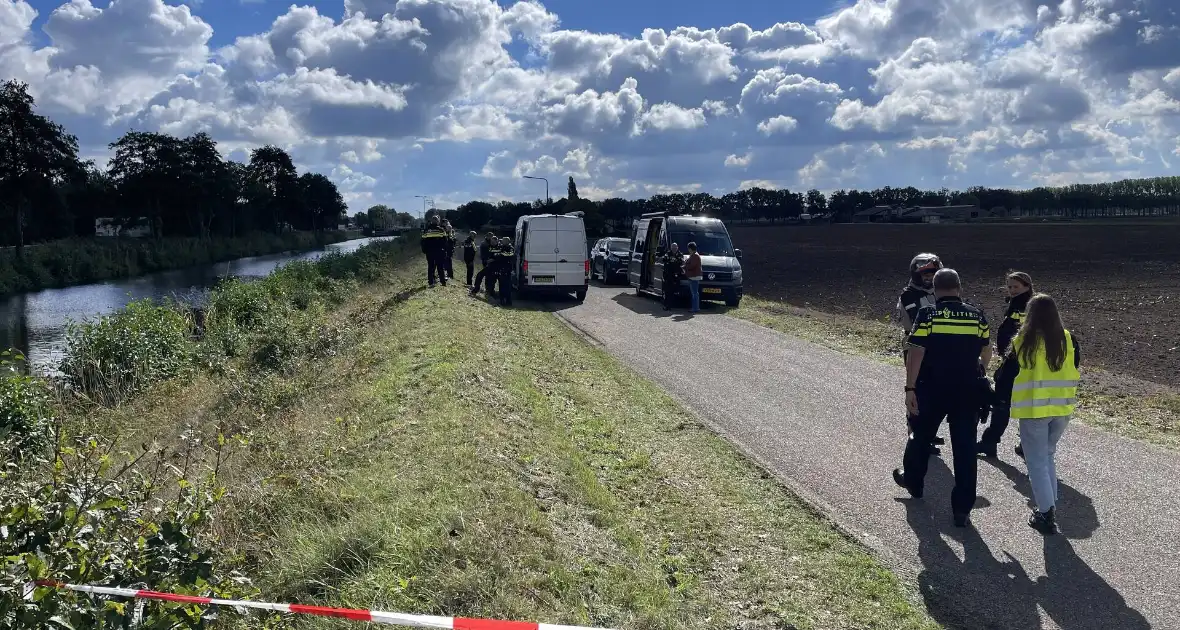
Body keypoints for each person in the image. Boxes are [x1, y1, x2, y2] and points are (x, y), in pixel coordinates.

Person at [893, 268, 992, 528]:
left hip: (932, 388)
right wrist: (981, 368)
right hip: (967, 390)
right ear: (959, 288)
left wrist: (910, 388)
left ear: (935, 290)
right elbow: (986, 348)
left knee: (920, 436)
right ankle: (962, 509)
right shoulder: (976, 315)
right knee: (965, 448)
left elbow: (916, 351)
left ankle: (914, 482)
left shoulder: (928, 314)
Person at [1005, 293, 1080, 535]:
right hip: (1062, 408)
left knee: (1036, 461)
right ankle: (1050, 504)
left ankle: (1046, 514)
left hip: (1035, 409)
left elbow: (1006, 374)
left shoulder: (1023, 341)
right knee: (1047, 455)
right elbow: (1074, 366)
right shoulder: (1068, 339)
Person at [978, 271, 1035, 459]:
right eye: (1009, 287)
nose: (1011, 290)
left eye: (1015, 287)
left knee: (1003, 403)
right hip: (1016, 361)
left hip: (1016, 363)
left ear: (1027, 286)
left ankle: (991, 442)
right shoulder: (1019, 304)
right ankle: (1022, 446)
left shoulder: (1026, 306)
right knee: (1019, 404)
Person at [897, 253, 947, 455]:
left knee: (936, 392)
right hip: (916, 346)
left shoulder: (941, 292)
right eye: (925, 273)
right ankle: (915, 436)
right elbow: (918, 320)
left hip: (938, 347)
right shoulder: (908, 295)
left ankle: (929, 431)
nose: (929, 276)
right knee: (917, 391)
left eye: (933, 272)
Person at [420, 215, 448, 287]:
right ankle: (443, 282)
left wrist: (424, 250)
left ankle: (431, 282)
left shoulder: (426, 230)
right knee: (440, 267)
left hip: (429, 251)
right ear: (438, 222)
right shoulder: (441, 230)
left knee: (431, 266)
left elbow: (422, 241)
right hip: (439, 251)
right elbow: (445, 241)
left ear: (431, 221)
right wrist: (444, 250)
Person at [492, 237, 515, 306]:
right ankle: (502, 300)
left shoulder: (511, 248)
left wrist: (499, 255)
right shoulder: (503, 247)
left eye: (503, 241)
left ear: (507, 241)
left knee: (507, 286)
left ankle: (508, 302)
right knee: (501, 285)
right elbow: (496, 253)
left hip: (507, 269)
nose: (502, 242)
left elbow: (508, 255)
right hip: (501, 269)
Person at [661, 242, 683, 311]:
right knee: (667, 291)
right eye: (673, 247)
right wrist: (670, 260)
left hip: (676, 275)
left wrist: (674, 260)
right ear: (671, 248)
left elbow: (681, 261)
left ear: (677, 248)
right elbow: (664, 259)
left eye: (675, 247)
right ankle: (666, 305)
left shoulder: (680, 254)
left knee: (675, 291)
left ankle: (673, 305)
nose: (674, 249)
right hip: (668, 275)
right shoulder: (668, 253)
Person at [683, 242, 703, 313]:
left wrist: (684, 266)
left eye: (689, 248)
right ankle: (695, 307)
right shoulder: (693, 255)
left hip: (694, 276)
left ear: (690, 248)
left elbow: (692, 266)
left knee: (694, 293)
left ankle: (695, 308)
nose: (688, 250)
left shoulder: (695, 256)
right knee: (695, 293)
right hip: (693, 276)